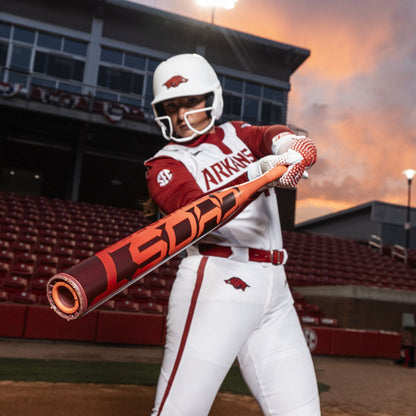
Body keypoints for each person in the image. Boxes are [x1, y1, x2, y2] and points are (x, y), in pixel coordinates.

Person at [144, 53, 321, 416]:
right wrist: (257, 174)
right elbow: (199, 212)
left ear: (211, 98)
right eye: (171, 106)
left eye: (190, 102)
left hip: (275, 286)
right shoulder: (164, 164)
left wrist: (289, 146)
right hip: (216, 281)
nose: (180, 115)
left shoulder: (236, 133)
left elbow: (269, 136)